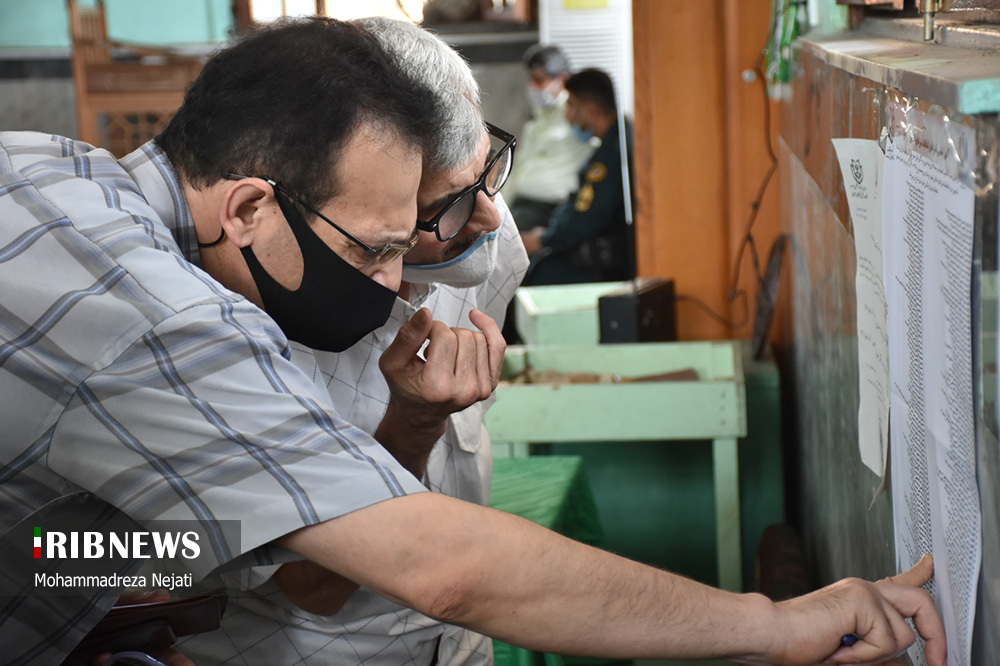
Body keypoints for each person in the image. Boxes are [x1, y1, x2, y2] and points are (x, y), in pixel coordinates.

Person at [0, 17, 945, 666]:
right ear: (249, 207)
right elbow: (437, 566)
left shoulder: (54, 174)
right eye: (374, 250)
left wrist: (97, 587)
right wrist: (771, 627)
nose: (391, 285)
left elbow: (78, 543)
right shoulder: (165, 316)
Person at [178, 17, 528, 665]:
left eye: (487, 172)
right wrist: (412, 425)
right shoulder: (238, 331)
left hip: (459, 645)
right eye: (443, 206)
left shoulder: (476, 230)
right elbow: (312, 588)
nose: (488, 217)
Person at [521, 68, 635, 285]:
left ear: (591, 110)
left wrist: (543, 239)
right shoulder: (616, 140)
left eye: (572, 105)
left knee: (532, 274)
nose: (568, 115)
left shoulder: (613, 154)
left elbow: (586, 217)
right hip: (596, 249)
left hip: (602, 262)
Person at [504, 44, 594, 232]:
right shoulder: (539, 119)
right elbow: (522, 165)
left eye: (539, 80)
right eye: (531, 80)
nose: (532, 87)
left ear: (563, 79)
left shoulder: (577, 116)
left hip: (551, 209)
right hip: (520, 204)